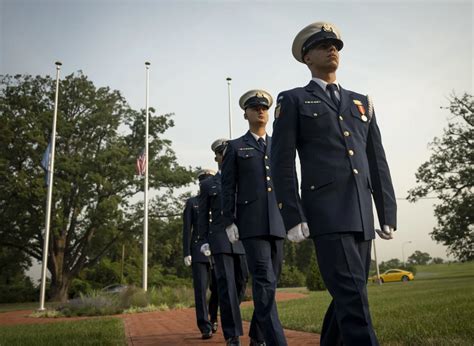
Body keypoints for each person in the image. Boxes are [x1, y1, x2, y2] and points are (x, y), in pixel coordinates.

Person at [271, 21, 397, 346]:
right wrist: (292, 214)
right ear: (306, 57)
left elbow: (377, 161)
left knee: (349, 294)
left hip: (361, 213)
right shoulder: (294, 99)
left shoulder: (361, 102)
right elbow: (282, 162)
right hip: (326, 214)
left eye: (336, 45)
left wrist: (387, 213)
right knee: (354, 300)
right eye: (323, 44)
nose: (332, 49)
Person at [221, 90, 287, 346]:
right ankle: (275, 341)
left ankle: (258, 336)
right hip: (251, 224)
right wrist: (229, 221)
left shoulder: (278, 145)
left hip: (278, 223)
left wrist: (296, 216)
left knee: (271, 283)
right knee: (265, 280)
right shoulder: (235, 147)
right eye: (255, 107)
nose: (260, 110)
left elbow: (287, 182)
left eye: (264, 107)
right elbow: (228, 187)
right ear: (245, 113)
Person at [198, 139, 249, 346]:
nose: (224, 156)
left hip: (241, 238)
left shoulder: (241, 178)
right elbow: (202, 215)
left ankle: (229, 311)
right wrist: (203, 240)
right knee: (226, 285)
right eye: (221, 154)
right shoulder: (208, 184)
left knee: (241, 280)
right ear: (217, 158)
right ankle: (232, 335)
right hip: (219, 237)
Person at [182, 168, 219, 339]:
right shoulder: (193, 202)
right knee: (201, 289)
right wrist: (186, 251)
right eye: (204, 181)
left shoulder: (219, 200)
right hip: (198, 251)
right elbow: (186, 229)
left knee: (218, 288)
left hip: (218, 249)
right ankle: (204, 326)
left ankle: (213, 318)